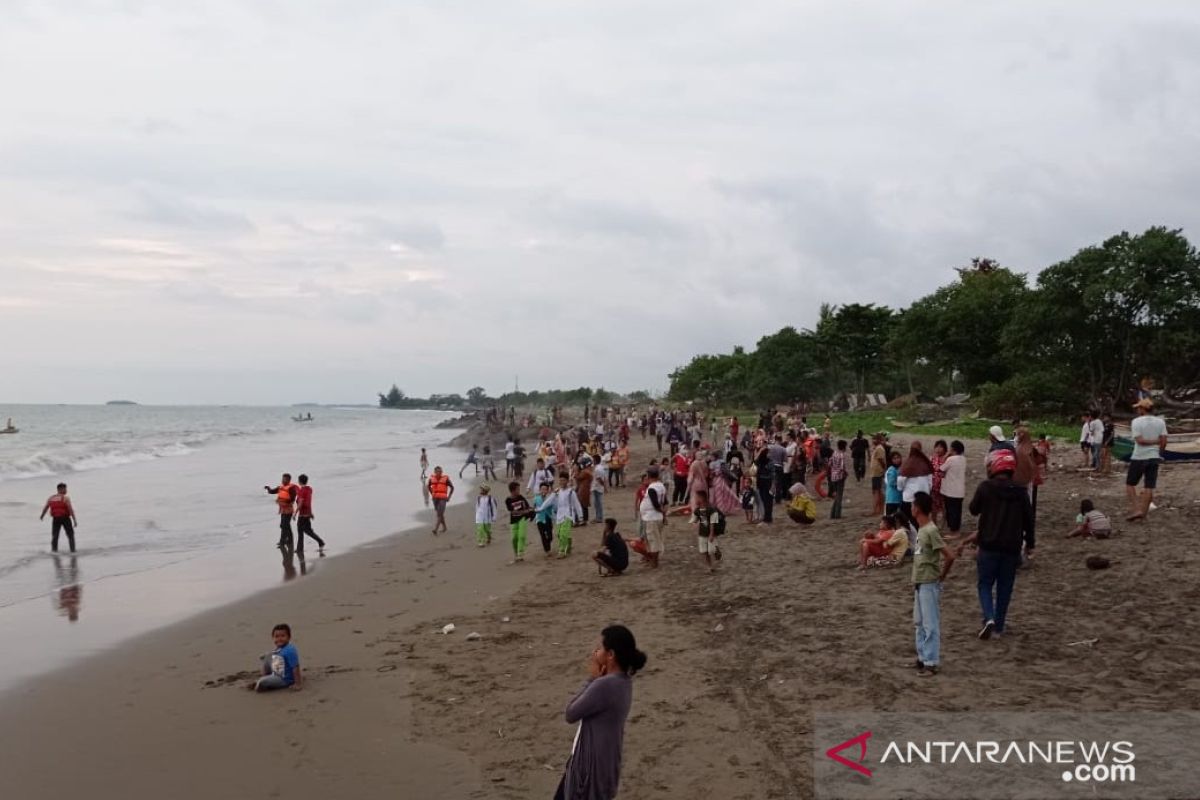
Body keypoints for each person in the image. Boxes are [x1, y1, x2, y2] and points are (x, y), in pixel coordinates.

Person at [554, 625, 646, 800]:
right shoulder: (625, 683)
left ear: (610, 655)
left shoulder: (604, 685)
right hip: (607, 765)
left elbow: (571, 713)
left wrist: (593, 678)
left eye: (600, 648)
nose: (595, 651)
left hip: (589, 770)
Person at [959, 449, 1035, 640]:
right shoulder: (1021, 491)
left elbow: (973, 509)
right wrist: (1031, 543)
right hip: (1011, 548)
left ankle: (989, 617)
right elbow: (1029, 520)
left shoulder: (986, 487)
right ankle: (999, 628)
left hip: (988, 545)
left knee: (984, 584)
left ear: (994, 466)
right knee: (1005, 588)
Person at [911, 491, 955, 676]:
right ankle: (922, 658)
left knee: (930, 623)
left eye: (913, 504)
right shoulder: (922, 529)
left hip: (929, 582)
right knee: (919, 622)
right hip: (920, 582)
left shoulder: (930, 530)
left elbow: (949, 556)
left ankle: (931, 662)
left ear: (918, 508)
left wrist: (941, 577)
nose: (911, 507)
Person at [1126, 398, 1168, 522]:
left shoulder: (1136, 422)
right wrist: (1159, 452)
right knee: (1149, 486)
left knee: (1130, 484)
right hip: (1154, 456)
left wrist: (1153, 442)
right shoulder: (1160, 422)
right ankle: (1143, 513)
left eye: (1139, 408)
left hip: (1139, 456)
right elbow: (1164, 441)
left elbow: (1140, 441)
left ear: (1143, 409)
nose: (1138, 410)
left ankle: (1136, 508)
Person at [249, 623, 302, 692]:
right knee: (266, 656)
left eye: (283, 636)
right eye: (276, 636)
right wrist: (266, 657)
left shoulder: (290, 650)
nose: (279, 639)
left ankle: (262, 682)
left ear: (289, 637)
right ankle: (265, 676)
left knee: (261, 682)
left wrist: (298, 684)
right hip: (277, 671)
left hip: (283, 679)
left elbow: (296, 667)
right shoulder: (280, 648)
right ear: (273, 638)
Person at [549, 474, 584, 558]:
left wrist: (580, 516)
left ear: (567, 481)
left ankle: (562, 551)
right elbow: (549, 500)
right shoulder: (557, 491)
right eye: (560, 480)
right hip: (559, 515)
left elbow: (577, 504)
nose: (561, 482)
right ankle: (568, 542)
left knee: (563, 534)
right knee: (558, 533)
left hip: (568, 515)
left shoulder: (571, 492)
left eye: (563, 480)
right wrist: (541, 508)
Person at [690, 489, 725, 573]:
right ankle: (710, 566)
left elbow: (713, 522)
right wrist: (694, 524)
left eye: (696, 498)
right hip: (702, 534)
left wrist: (712, 533)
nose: (695, 499)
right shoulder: (698, 510)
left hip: (710, 533)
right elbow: (694, 519)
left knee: (711, 550)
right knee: (704, 551)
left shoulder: (711, 510)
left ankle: (717, 550)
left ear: (701, 498)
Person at [639, 467, 668, 568]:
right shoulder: (661, 486)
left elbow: (655, 504)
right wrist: (664, 514)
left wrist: (662, 512)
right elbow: (665, 502)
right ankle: (653, 561)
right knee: (655, 539)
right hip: (656, 517)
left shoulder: (652, 488)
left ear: (649, 476)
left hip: (651, 517)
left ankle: (654, 562)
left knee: (653, 540)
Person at [40, 482, 78, 553]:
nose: (66, 490)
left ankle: (54, 551)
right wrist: (74, 520)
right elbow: (70, 509)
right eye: (65, 489)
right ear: (60, 489)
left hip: (55, 519)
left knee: (55, 536)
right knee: (70, 535)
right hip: (65, 518)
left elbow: (46, 508)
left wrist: (42, 516)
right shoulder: (65, 498)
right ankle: (73, 551)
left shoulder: (51, 498)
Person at [939, 441, 967, 535]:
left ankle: (953, 531)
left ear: (953, 449)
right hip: (960, 490)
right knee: (957, 511)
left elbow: (941, 468)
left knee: (951, 511)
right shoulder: (963, 459)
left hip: (950, 490)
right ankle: (956, 530)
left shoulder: (950, 459)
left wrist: (946, 455)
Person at [504, 482, 536, 562]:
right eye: (518, 489)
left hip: (522, 519)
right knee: (514, 538)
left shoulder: (521, 497)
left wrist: (530, 511)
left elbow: (527, 507)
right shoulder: (508, 500)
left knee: (521, 536)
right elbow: (513, 512)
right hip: (513, 521)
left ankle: (520, 554)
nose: (519, 491)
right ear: (512, 491)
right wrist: (523, 511)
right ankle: (516, 553)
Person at [294, 474, 325, 555]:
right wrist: (310, 513)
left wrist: (295, 513)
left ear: (299, 481)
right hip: (307, 513)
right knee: (307, 530)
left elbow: (300, 503)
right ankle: (300, 548)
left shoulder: (302, 491)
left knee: (302, 531)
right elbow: (308, 502)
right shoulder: (309, 490)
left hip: (303, 514)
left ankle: (320, 542)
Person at [265, 473, 298, 550]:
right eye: (282, 479)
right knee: (285, 525)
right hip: (283, 510)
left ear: (289, 480)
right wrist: (268, 488)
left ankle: (282, 542)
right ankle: (290, 540)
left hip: (288, 510)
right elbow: (272, 491)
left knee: (283, 525)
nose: (283, 480)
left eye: (285, 479)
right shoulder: (281, 487)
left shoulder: (291, 488)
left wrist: (284, 502)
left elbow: (293, 499)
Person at [428, 466, 454, 535]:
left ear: (442, 472)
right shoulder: (431, 479)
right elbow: (428, 486)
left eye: (440, 471)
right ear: (435, 472)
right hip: (435, 498)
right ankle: (445, 527)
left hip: (443, 498)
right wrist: (432, 493)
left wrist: (449, 497)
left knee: (439, 514)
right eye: (437, 472)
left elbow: (452, 487)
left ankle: (435, 529)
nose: (439, 473)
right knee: (439, 514)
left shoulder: (446, 479)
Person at [534, 482, 556, 557]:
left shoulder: (550, 498)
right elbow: (534, 507)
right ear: (540, 490)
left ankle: (548, 543)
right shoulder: (536, 498)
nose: (543, 491)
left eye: (545, 489)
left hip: (548, 518)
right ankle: (547, 550)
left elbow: (554, 507)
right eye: (542, 489)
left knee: (550, 535)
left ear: (547, 490)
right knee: (542, 535)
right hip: (539, 519)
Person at [868, 433, 888, 516]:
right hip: (876, 472)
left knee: (876, 491)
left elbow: (881, 461)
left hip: (877, 473)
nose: (873, 441)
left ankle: (876, 510)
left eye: (875, 439)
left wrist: (884, 469)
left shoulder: (879, 448)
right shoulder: (877, 448)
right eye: (873, 439)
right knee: (879, 491)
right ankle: (879, 509)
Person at [828, 440, 848, 519]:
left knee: (836, 495)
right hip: (840, 477)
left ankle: (832, 514)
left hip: (833, 476)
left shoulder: (834, 453)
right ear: (844, 447)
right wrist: (846, 473)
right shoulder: (841, 455)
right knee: (839, 496)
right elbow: (842, 467)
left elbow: (830, 464)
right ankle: (837, 514)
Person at [884, 451, 902, 516]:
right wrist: (902, 485)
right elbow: (892, 483)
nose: (897, 460)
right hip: (892, 499)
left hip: (897, 498)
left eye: (898, 458)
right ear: (891, 460)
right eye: (894, 458)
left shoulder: (898, 469)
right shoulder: (892, 469)